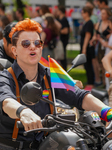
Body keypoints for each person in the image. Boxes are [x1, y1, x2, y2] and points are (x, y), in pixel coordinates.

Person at [0, 18, 111, 150]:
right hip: (13, 146)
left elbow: (80, 96)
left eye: (37, 43)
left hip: (45, 144)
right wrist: (23, 112)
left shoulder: (51, 74)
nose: (32, 46)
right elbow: (6, 101)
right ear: (14, 51)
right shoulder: (5, 77)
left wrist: (107, 111)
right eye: (25, 43)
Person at [80, 6, 95, 87]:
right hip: (85, 47)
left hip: (87, 48)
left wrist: (84, 49)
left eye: (82, 13)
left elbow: (87, 36)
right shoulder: (86, 22)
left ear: (86, 13)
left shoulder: (89, 23)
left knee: (88, 65)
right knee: (86, 66)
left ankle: (91, 83)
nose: (81, 14)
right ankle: (90, 82)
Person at [56, 5, 70, 71]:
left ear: (60, 11)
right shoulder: (59, 19)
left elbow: (66, 30)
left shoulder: (64, 19)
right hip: (60, 40)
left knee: (63, 56)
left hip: (63, 41)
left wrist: (58, 31)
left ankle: (64, 70)